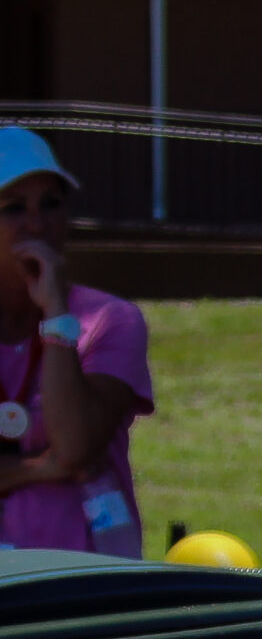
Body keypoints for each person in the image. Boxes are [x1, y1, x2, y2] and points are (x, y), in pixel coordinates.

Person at [0, 127, 151, 555]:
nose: (37, 223)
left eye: (51, 204)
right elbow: (66, 459)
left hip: (88, 577)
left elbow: (77, 445)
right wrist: (41, 468)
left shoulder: (112, 320)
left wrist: (55, 315)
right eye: (14, 208)